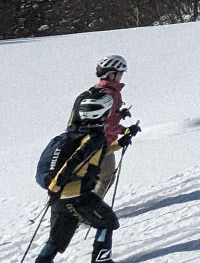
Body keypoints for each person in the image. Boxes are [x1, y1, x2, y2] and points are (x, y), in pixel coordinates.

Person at [36, 79, 140, 263]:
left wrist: (118, 143)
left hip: (59, 199)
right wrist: (56, 186)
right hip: (76, 195)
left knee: (57, 237)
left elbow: (95, 154)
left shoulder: (78, 133)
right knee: (108, 222)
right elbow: (73, 162)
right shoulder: (94, 137)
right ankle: (101, 260)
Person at [85, 56, 131, 199]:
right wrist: (125, 130)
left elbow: (106, 116)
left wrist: (120, 113)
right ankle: (91, 210)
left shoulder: (98, 89)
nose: (121, 76)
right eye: (120, 73)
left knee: (93, 178)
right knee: (107, 178)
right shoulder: (110, 94)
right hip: (102, 143)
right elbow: (108, 125)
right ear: (111, 74)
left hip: (91, 141)